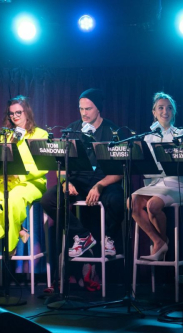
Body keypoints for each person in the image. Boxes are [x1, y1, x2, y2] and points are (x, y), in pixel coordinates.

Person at [40, 88, 124, 259]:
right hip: (78, 180)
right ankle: (83, 236)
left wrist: (100, 185)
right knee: (49, 199)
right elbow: (61, 164)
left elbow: (120, 171)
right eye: (81, 109)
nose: (84, 113)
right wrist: (65, 182)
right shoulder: (72, 129)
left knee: (117, 199)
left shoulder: (112, 131)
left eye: (88, 109)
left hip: (104, 181)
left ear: (98, 108)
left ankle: (109, 239)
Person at [0, 95, 48, 256]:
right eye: (11, 114)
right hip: (7, 181)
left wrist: (19, 176)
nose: (15, 117)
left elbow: (42, 167)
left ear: (27, 112)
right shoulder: (5, 135)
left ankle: (10, 245)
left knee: (13, 199)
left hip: (32, 182)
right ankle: (8, 232)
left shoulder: (41, 134)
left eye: (18, 112)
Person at [131, 92, 183, 261]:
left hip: (176, 183)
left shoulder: (181, 134)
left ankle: (162, 243)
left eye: (169, 108)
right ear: (154, 112)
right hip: (154, 183)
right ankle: (159, 241)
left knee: (153, 205)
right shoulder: (147, 137)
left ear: (174, 112)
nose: (165, 111)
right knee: (131, 202)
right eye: (160, 108)